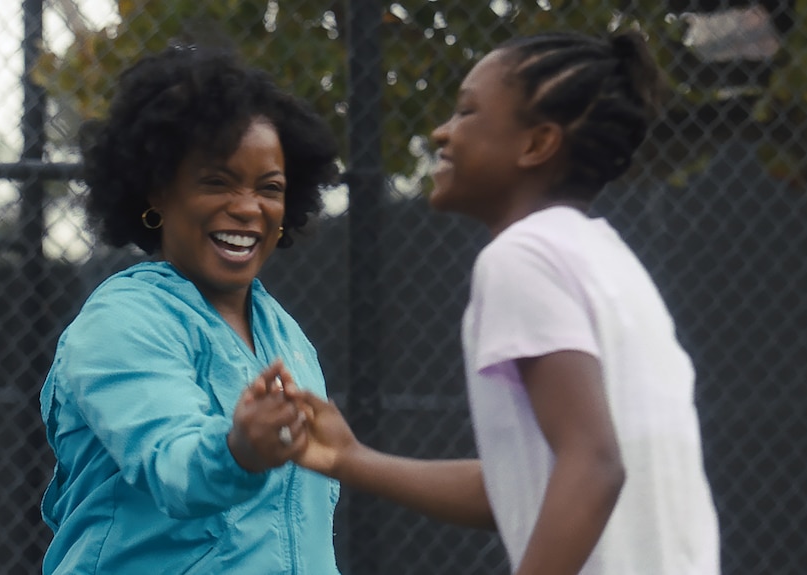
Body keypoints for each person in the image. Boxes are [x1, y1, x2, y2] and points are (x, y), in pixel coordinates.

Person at [283, 30, 721, 575]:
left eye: (467, 112)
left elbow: (594, 465)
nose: (443, 131)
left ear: (537, 144)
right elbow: (524, 488)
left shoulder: (521, 257)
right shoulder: (608, 262)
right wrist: (351, 459)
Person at [38, 45, 341, 574]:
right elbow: (173, 463)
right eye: (216, 182)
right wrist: (237, 449)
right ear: (157, 191)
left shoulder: (286, 336)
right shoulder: (122, 322)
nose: (248, 207)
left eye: (269, 189)